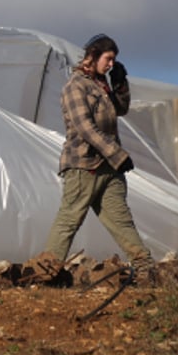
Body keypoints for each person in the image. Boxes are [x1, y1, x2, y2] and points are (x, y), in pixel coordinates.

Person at [46, 33, 155, 282]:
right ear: (93, 56)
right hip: (85, 164)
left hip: (109, 166)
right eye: (108, 59)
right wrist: (117, 154)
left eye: (114, 60)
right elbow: (84, 127)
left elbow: (120, 110)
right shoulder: (76, 86)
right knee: (70, 219)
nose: (110, 64)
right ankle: (47, 272)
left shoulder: (100, 85)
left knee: (121, 220)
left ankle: (146, 269)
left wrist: (121, 86)